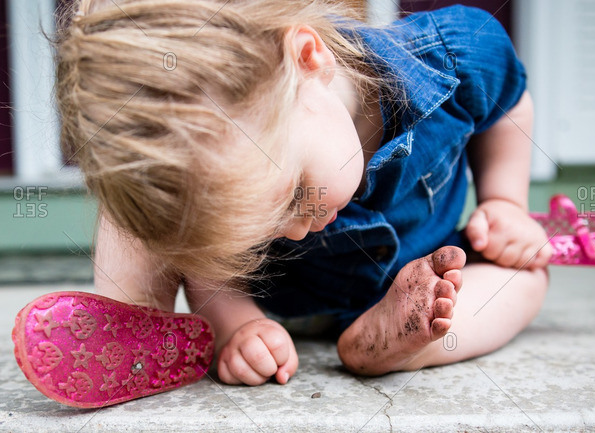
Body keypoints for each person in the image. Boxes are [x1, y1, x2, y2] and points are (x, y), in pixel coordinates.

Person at [15, 0, 551, 406]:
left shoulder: (453, 54)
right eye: (258, 229)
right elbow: (209, 261)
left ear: (309, 58)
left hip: (423, 276)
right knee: (151, 192)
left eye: (296, 195)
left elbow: (509, 103)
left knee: (525, 273)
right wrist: (235, 320)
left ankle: (403, 344)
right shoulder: (233, 163)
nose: (294, 231)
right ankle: (139, 324)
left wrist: (506, 201)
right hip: (279, 297)